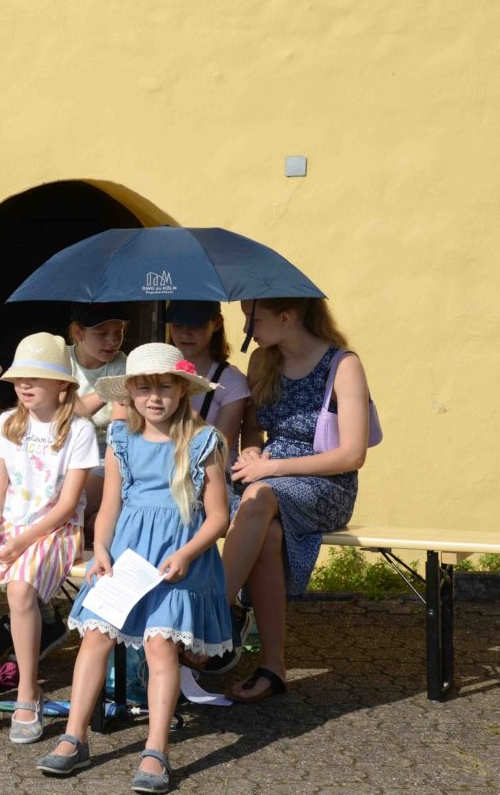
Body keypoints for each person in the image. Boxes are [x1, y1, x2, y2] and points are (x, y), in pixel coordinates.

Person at [35, 343, 232, 794]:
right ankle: (74, 736)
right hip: (127, 555)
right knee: (96, 636)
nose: (154, 397)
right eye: (144, 388)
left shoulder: (204, 442)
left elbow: (218, 517)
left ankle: (156, 748)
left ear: (182, 389)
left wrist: (186, 554)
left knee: (161, 645)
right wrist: (99, 547)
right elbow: (109, 505)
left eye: (164, 387)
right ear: (130, 392)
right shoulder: (121, 437)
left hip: (179, 559)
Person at [214, 298, 374, 701]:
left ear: (286, 318)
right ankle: (272, 667)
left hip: (326, 485)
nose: (247, 328)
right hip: (263, 482)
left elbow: (352, 455)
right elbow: (253, 430)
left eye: (254, 319)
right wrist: (251, 452)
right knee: (264, 532)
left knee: (259, 497)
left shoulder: (343, 365)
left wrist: (269, 470)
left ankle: (210, 615)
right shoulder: (263, 362)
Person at [0, 332, 99, 743]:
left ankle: (28, 692)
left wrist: (20, 541)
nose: (25, 386)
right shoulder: (7, 423)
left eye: (36, 377)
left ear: (62, 384)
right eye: (19, 379)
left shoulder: (79, 430)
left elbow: (68, 504)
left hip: (54, 529)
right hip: (8, 525)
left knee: (19, 590)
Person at [66, 303, 130, 537]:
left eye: (118, 333)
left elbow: (120, 425)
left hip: (104, 455)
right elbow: (60, 412)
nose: (112, 341)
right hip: (61, 452)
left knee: (74, 506)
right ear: (78, 333)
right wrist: (109, 389)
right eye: (101, 334)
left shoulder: (124, 365)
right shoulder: (61, 360)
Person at [166, 300, 250, 453]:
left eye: (196, 325)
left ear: (217, 323)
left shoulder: (231, 381)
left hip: (211, 472)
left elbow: (220, 447)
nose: (185, 333)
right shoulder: (158, 372)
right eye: (177, 325)